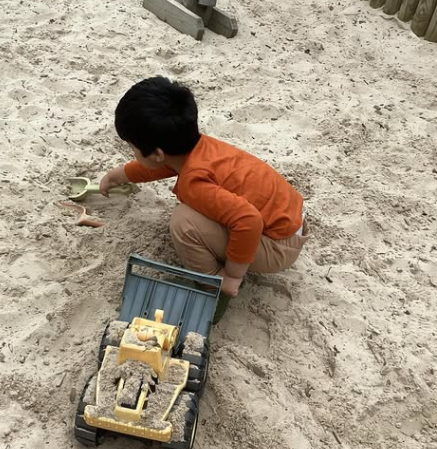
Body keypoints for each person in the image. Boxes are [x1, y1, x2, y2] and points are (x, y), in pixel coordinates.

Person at [100, 76, 308, 305]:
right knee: (203, 211)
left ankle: (214, 281)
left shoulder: (194, 181)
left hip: (278, 245)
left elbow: (249, 221)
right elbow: (158, 166)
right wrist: (115, 176)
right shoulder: (198, 147)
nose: (132, 152)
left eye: (132, 147)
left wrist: (232, 276)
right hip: (290, 220)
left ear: (157, 154)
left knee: (184, 223)